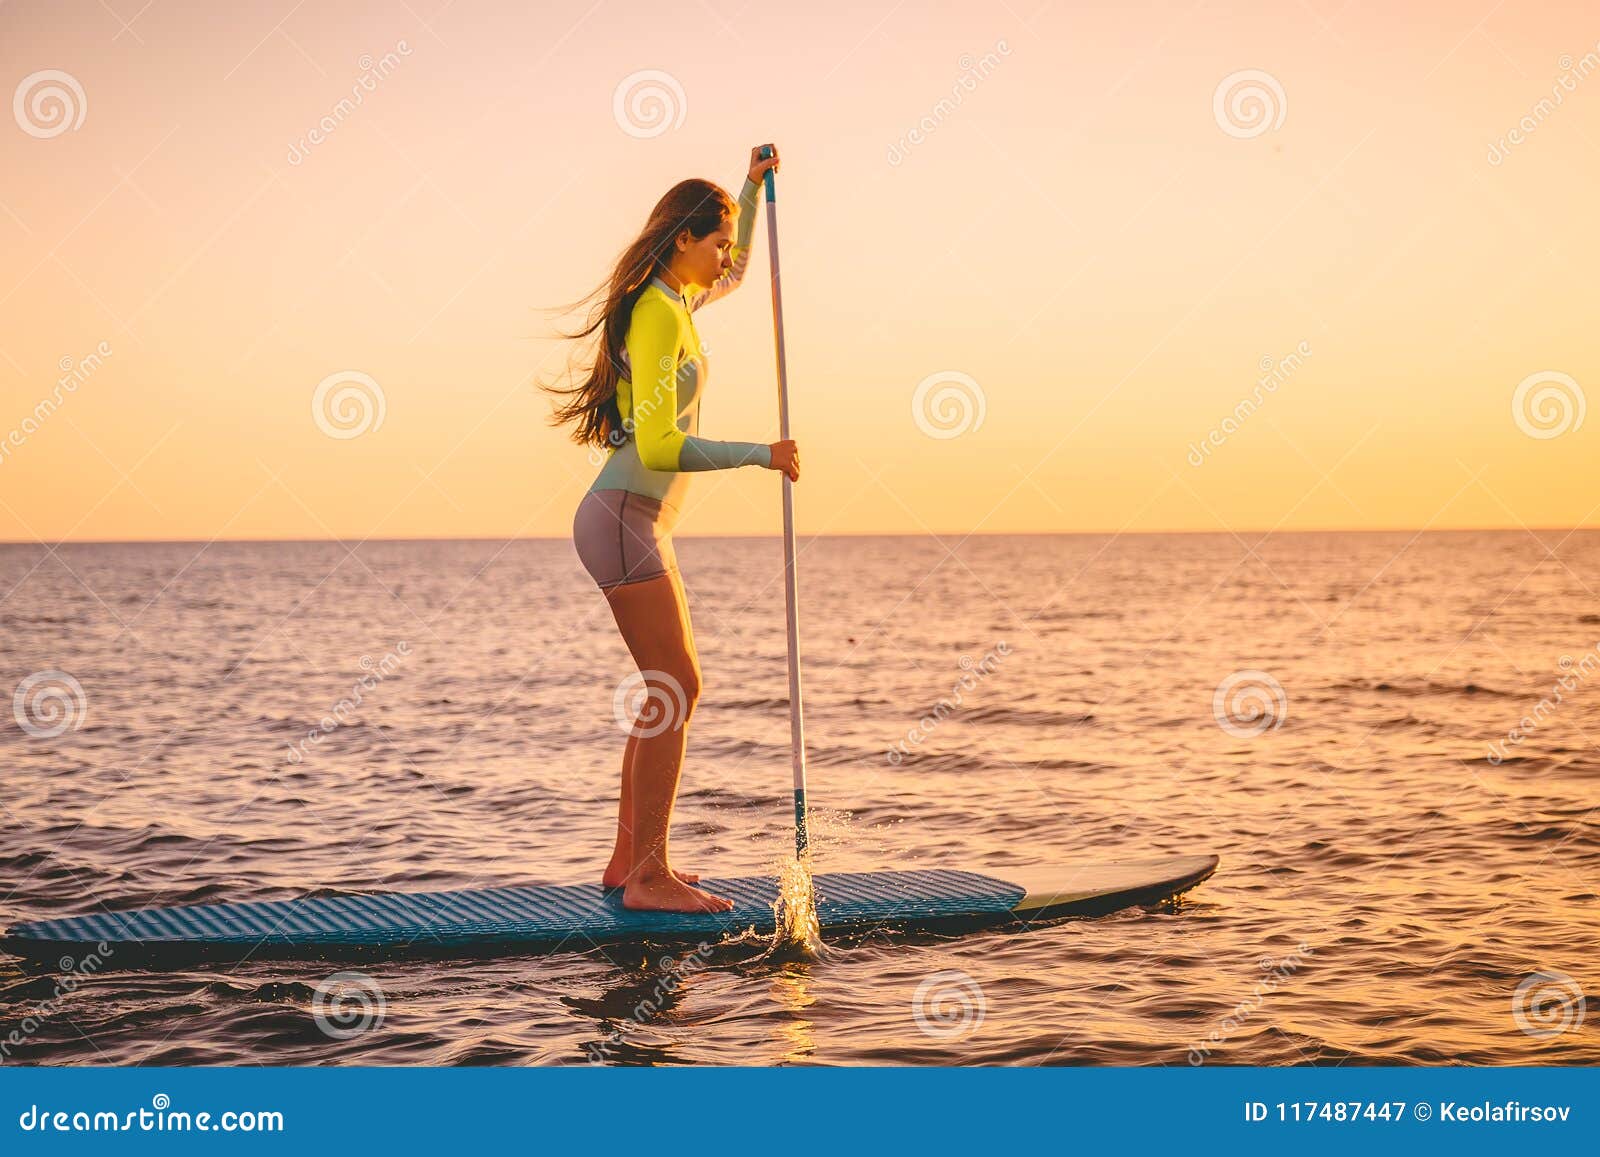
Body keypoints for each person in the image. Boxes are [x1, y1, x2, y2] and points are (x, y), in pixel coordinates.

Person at [544, 144, 800, 913]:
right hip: (625, 517)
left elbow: (744, 268)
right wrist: (761, 453)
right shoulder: (657, 312)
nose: (726, 255)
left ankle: (631, 862)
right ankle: (650, 874)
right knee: (679, 685)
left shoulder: (677, 301)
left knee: (668, 688)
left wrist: (750, 189)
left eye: (726, 241)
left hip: (636, 520)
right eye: (715, 240)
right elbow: (657, 445)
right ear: (683, 240)